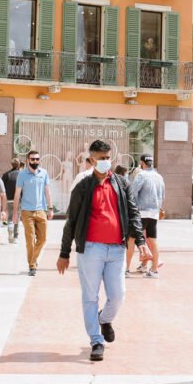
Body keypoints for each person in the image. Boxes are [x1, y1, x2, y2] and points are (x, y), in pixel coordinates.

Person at [57, 139, 144, 362]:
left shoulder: (121, 184)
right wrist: (64, 253)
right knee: (90, 296)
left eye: (108, 157)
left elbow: (133, 213)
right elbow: (71, 221)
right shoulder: (83, 186)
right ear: (92, 160)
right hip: (91, 249)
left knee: (118, 295)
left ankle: (104, 319)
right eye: (101, 158)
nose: (106, 161)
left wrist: (141, 242)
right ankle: (96, 341)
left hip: (117, 250)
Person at [13, 149, 53, 276]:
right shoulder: (22, 174)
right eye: (32, 159)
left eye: (37, 159)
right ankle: (32, 266)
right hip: (27, 211)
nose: (35, 161)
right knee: (30, 240)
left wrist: (50, 208)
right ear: (28, 160)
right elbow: (17, 194)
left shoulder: (44, 173)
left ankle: (33, 260)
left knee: (43, 239)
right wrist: (15, 213)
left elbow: (47, 191)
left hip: (41, 211)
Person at [129, 154, 165, 278]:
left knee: (131, 239)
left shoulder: (141, 175)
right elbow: (162, 195)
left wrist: (132, 210)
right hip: (154, 213)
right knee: (152, 240)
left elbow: (133, 194)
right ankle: (154, 270)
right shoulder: (159, 177)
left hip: (141, 212)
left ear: (142, 163)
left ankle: (126, 270)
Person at [2, 157, 21, 243]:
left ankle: (10, 229)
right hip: (19, 200)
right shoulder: (21, 175)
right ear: (19, 165)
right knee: (17, 218)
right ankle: (15, 237)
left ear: (11, 165)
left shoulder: (6, 175)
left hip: (9, 199)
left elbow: (2, 189)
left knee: (10, 217)